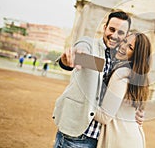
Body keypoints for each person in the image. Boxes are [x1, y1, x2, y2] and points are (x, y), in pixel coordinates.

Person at [52, 10, 144, 148]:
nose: (114, 36)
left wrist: (137, 112)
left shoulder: (119, 61)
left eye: (120, 33)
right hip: (75, 135)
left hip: (98, 138)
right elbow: (77, 55)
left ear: (125, 36)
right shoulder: (92, 49)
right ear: (104, 27)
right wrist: (70, 59)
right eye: (111, 29)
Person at [95, 32, 151, 148]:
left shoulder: (122, 74)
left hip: (120, 140)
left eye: (130, 47)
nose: (123, 47)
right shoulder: (139, 77)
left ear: (136, 55)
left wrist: (81, 99)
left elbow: (104, 116)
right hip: (133, 138)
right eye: (125, 41)